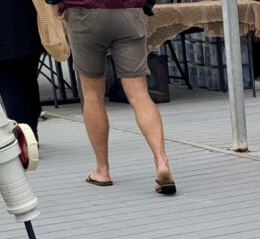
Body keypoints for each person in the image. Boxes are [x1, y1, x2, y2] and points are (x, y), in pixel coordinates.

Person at [49, 0, 176, 193]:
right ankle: (161, 160)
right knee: (139, 94)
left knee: (92, 94)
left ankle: (102, 170)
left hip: (85, 11)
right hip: (129, 11)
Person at [0, 0, 43, 139]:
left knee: (10, 87)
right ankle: (30, 132)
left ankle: (26, 139)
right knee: (29, 81)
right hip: (28, 24)